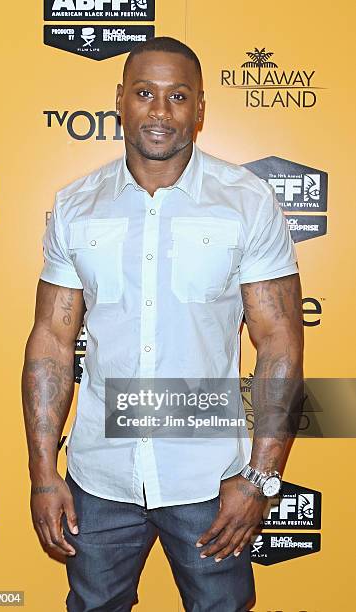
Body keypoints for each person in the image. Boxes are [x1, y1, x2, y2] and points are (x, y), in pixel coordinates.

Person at [21, 36, 304, 612]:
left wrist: (260, 479)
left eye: (178, 97)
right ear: (120, 99)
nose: (160, 110)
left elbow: (279, 345)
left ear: (200, 109)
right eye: (145, 93)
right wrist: (44, 474)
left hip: (210, 481)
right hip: (99, 480)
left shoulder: (246, 202)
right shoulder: (77, 205)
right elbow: (50, 341)